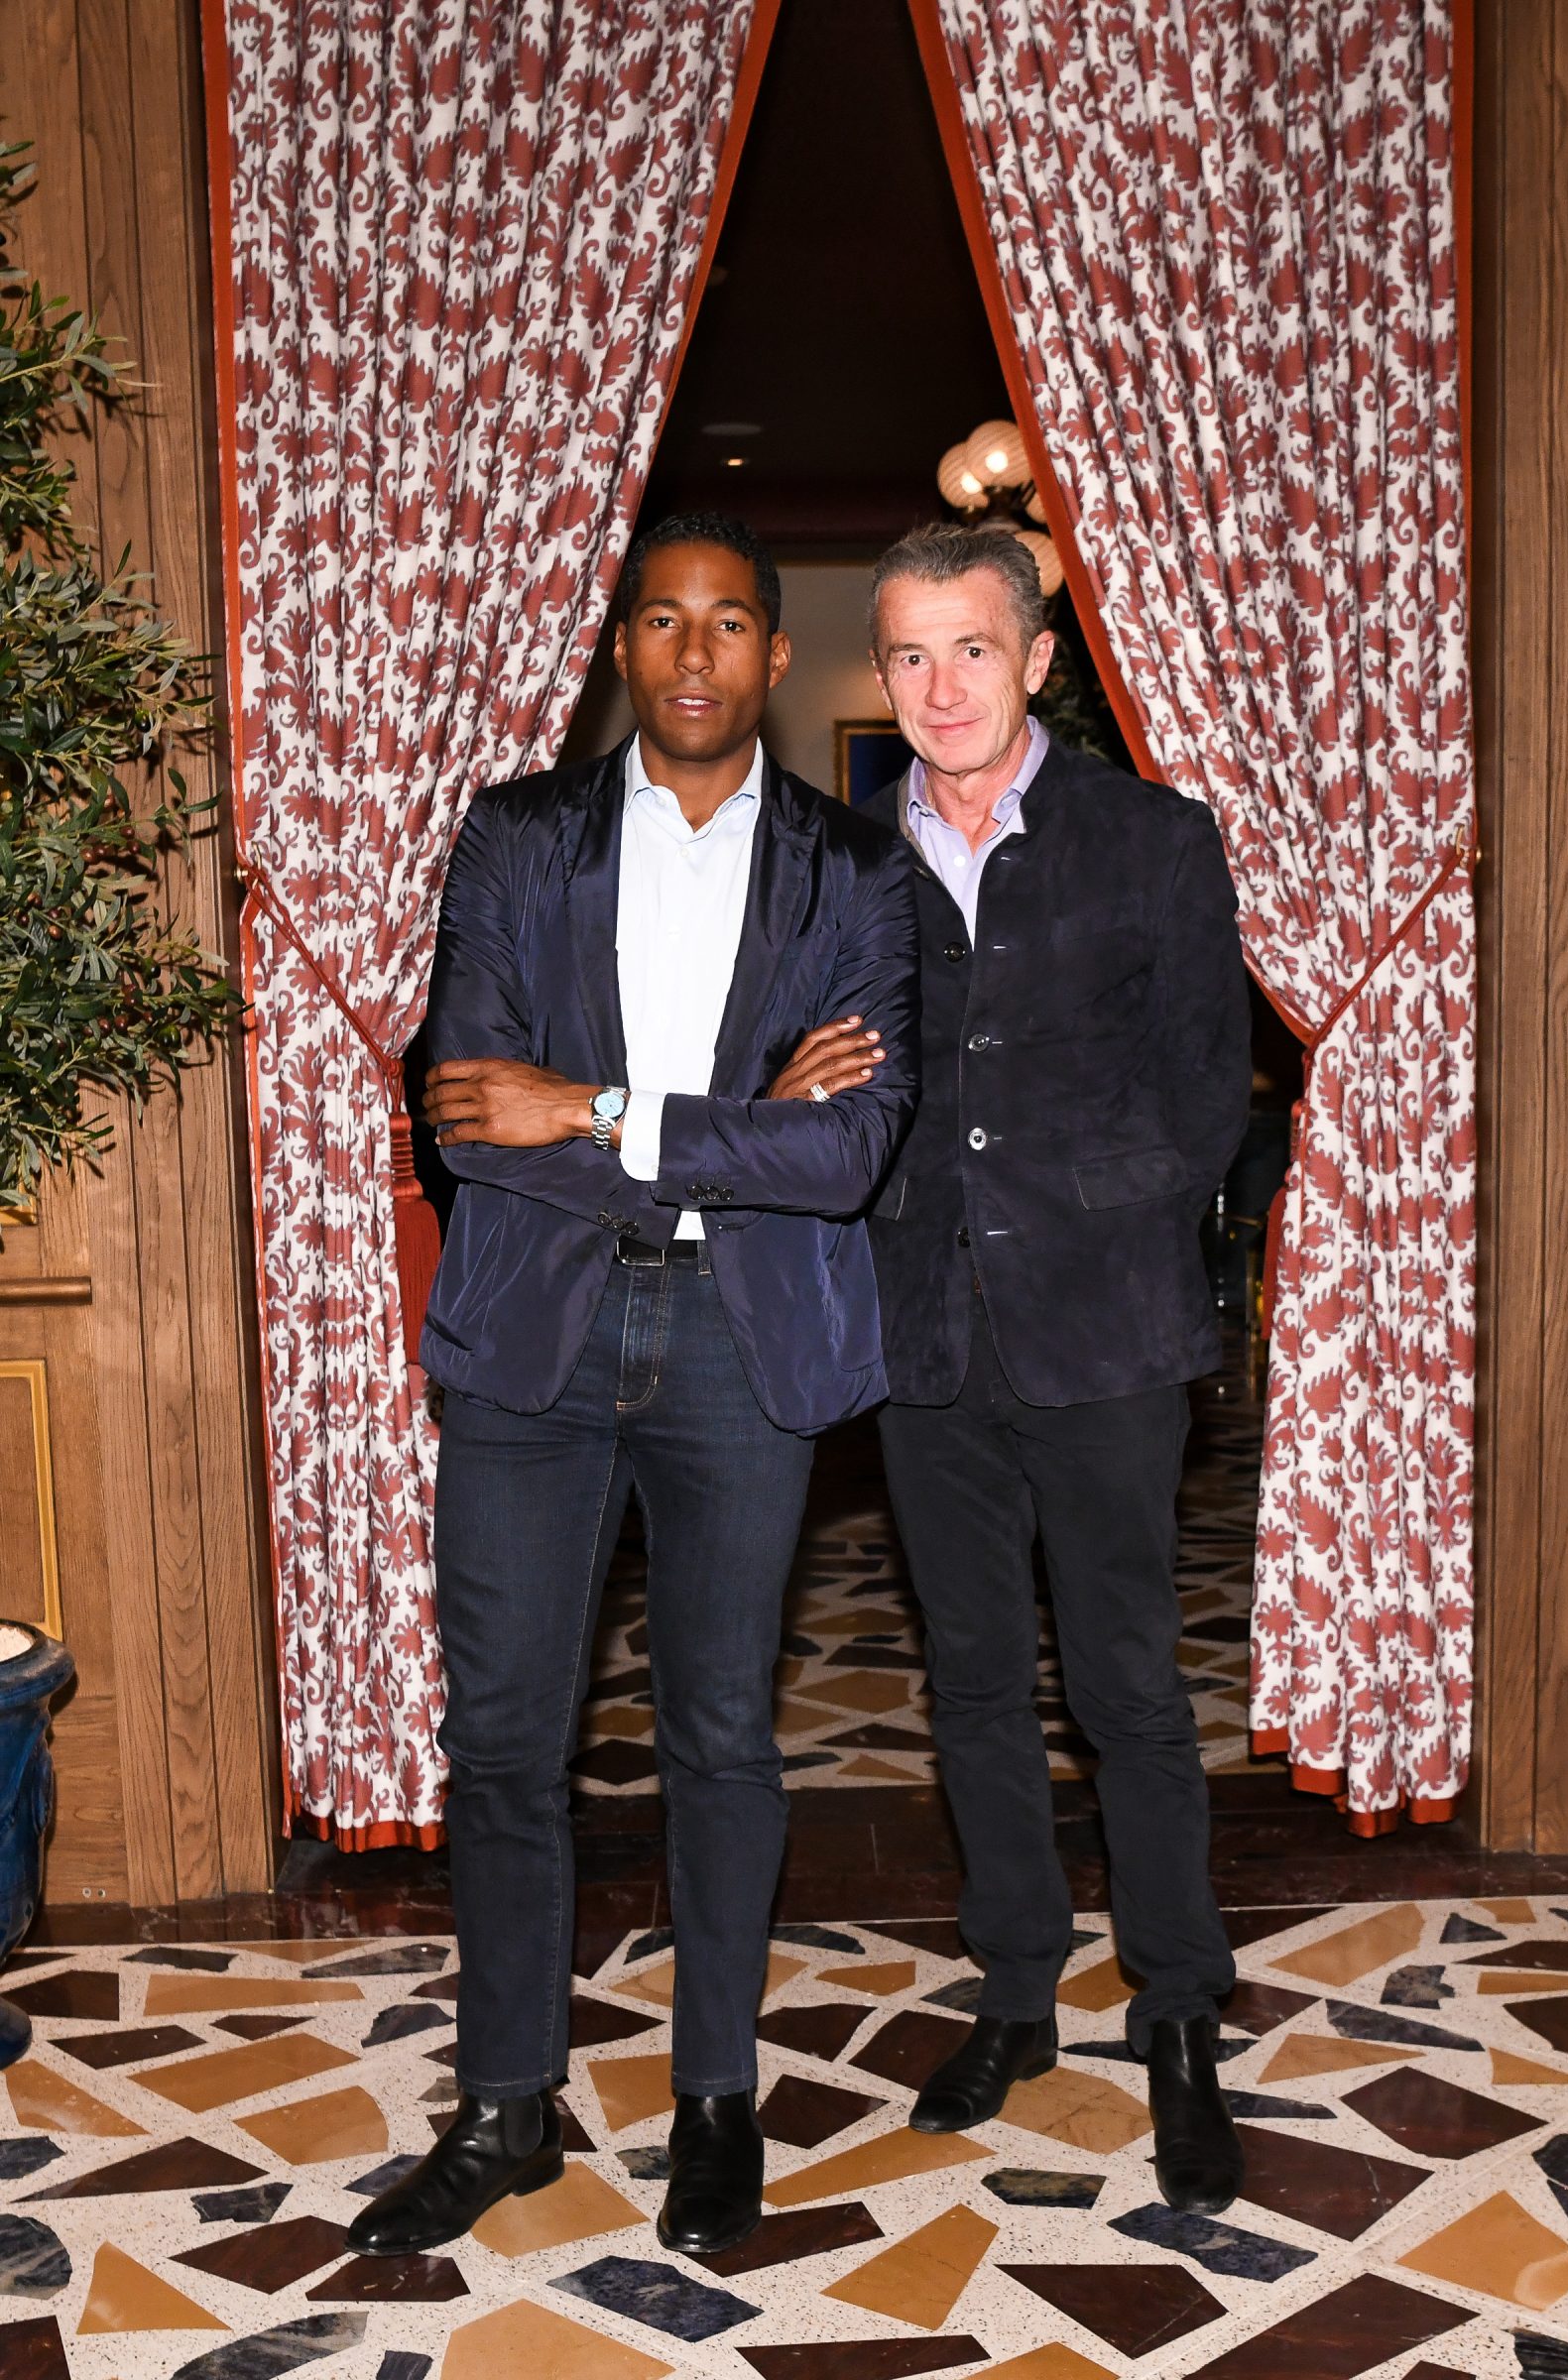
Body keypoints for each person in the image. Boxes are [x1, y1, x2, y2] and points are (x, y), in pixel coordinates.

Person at [348, 513, 918, 2261]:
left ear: (773, 655)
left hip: (743, 1341)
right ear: (622, 648)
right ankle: (506, 2107)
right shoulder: (517, 836)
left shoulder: (856, 868)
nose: (694, 651)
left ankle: (717, 2101)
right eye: (662, 620)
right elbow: (469, 1117)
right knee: (505, 1740)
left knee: (721, 1736)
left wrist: (595, 1109)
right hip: (536, 1337)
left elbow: (851, 1154)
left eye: (729, 622)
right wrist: (737, 1125)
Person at [864, 522, 1250, 2212]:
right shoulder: (842, 862)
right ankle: (1017, 1993)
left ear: (1034, 657)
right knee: (967, 1682)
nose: (940, 686)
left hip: (1106, 1334)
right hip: (922, 1338)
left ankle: (1179, 2012)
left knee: (1129, 1688)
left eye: (972, 648)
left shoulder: (1153, 837)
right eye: (909, 654)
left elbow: (1207, 1092)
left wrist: (1089, 1221)